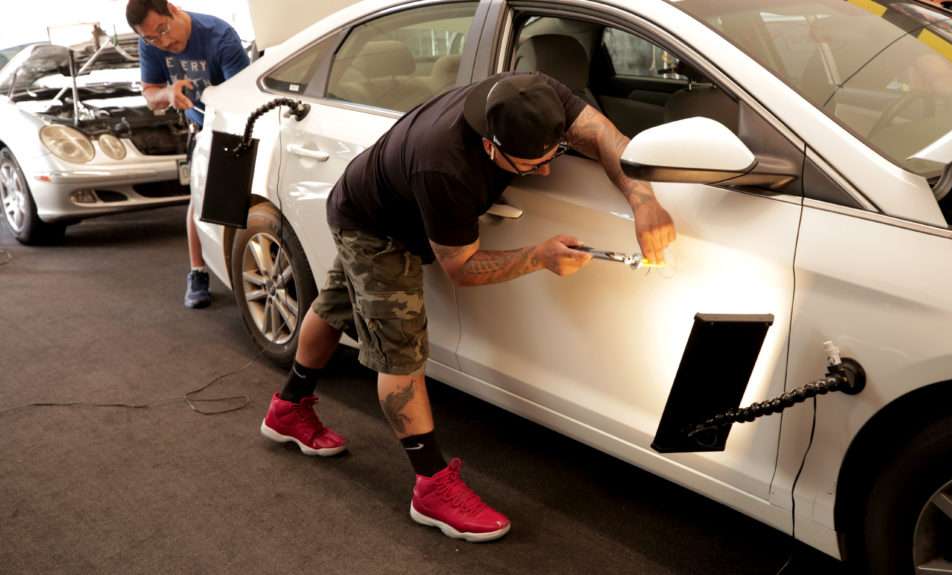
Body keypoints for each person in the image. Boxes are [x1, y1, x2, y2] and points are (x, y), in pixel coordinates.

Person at [259, 72, 677, 542]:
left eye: (552, 155)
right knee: (400, 351)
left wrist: (643, 200)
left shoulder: (536, 96)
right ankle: (430, 487)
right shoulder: (444, 165)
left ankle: (287, 409)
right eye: (529, 164)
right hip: (375, 226)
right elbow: (460, 267)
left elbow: (602, 135)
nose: (544, 173)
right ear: (489, 146)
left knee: (337, 303)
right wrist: (537, 257)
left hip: (382, 192)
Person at [126, 0, 250, 308]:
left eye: (163, 30)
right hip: (199, 128)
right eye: (151, 38)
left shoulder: (220, 37)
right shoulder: (150, 44)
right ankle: (198, 272)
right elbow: (150, 94)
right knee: (199, 199)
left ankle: (246, 269)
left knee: (239, 200)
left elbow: (244, 98)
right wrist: (168, 93)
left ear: (172, 9)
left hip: (232, 126)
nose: (163, 41)